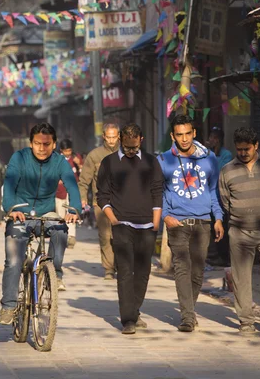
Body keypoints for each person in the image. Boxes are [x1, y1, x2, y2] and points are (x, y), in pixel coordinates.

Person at [0, 122, 82, 325]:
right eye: (37, 144)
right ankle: (9, 306)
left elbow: (72, 184)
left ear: (54, 145)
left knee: (61, 230)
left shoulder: (60, 162)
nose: (41, 148)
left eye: (46, 144)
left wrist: (74, 209)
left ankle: (54, 272)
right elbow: (9, 185)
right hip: (20, 214)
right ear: (31, 143)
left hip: (47, 212)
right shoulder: (19, 158)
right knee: (14, 261)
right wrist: (11, 208)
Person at [158, 114, 224, 333]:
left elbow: (213, 190)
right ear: (173, 136)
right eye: (179, 134)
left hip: (204, 222)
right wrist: (165, 216)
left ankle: (189, 310)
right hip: (177, 222)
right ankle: (187, 317)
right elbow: (157, 192)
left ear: (194, 133)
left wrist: (218, 218)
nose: (184, 139)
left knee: (197, 271)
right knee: (182, 268)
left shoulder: (210, 159)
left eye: (188, 133)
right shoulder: (165, 160)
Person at [97, 123, 163, 335]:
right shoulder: (109, 163)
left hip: (147, 226)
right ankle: (128, 320)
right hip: (122, 225)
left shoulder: (152, 162)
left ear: (141, 140)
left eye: (134, 147)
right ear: (120, 142)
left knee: (143, 273)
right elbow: (102, 196)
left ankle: (134, 310)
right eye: (127, 147)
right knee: (125, 272)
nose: (131, 151)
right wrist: (114, 220)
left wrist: (156, 222)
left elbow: (157, 192)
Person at [219, 127, 260, 334]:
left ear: (256, 146)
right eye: (239, 149)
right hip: (239, 232)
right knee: (241, 277)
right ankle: (246, 320)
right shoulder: (227, 170)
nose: (243, 153)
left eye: (247, 149)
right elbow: (225, 201)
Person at [79, 123, 120, 279]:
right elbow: (84, 181)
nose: (111, 140)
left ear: (119, 136)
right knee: (105, 236)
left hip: (123, 203)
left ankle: (121, 265)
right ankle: (109, 268)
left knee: (121, 236)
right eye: (108, 137)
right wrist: (82, 198)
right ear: (104, 136)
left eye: (114, 137)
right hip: (100, 203)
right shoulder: (94, 155)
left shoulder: (126, 153)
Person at [206, 126, 233, 266]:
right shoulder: (207, 154)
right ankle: (216, 255)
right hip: (209, 198)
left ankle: (225, 257)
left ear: (220, 140)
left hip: (221, 197)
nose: (212, 140)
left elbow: (218, 172)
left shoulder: (226, 155)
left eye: (215, 138)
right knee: (212, 227)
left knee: (223, 226)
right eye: (211, 137)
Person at [56, 138, 82, 249]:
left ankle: (71, 237)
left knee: (71, 214)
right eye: (65, 151)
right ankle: (62, 237)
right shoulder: (56, 160)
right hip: (59, 192)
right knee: (60, 216)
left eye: (69, 150)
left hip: (72, 192)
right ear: (61, 150)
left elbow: (83, 174)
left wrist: (79, 165)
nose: (68, 153)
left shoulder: (76, 159)